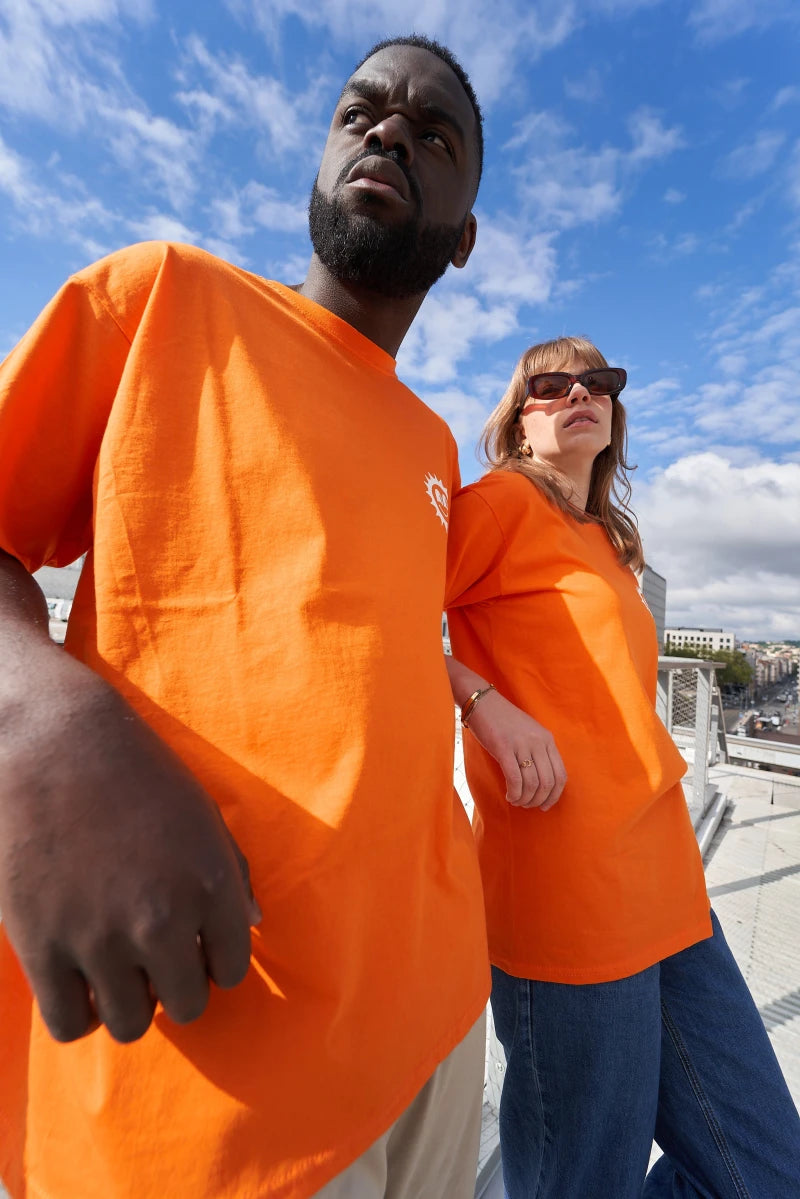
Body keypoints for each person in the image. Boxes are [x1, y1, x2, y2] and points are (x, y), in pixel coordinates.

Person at [0, 36, 491, 1199]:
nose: (388, 134)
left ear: (464, 237)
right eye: (361, 114)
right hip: (208, 1049)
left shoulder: (432, 445)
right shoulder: (163, 294)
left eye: (433, 137)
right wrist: (38, 719)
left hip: (436, 1021)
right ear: (320, 160)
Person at [444, 336, 800, 1198]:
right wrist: (481, 702)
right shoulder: (492, 506)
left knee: (770, 1169)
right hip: (567, 897)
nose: (579, 392)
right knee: (581, 1177)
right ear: (516, 419)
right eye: (551, 384)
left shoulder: (609, 541)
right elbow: (379, 614)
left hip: (668, 887)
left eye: (598, 381)